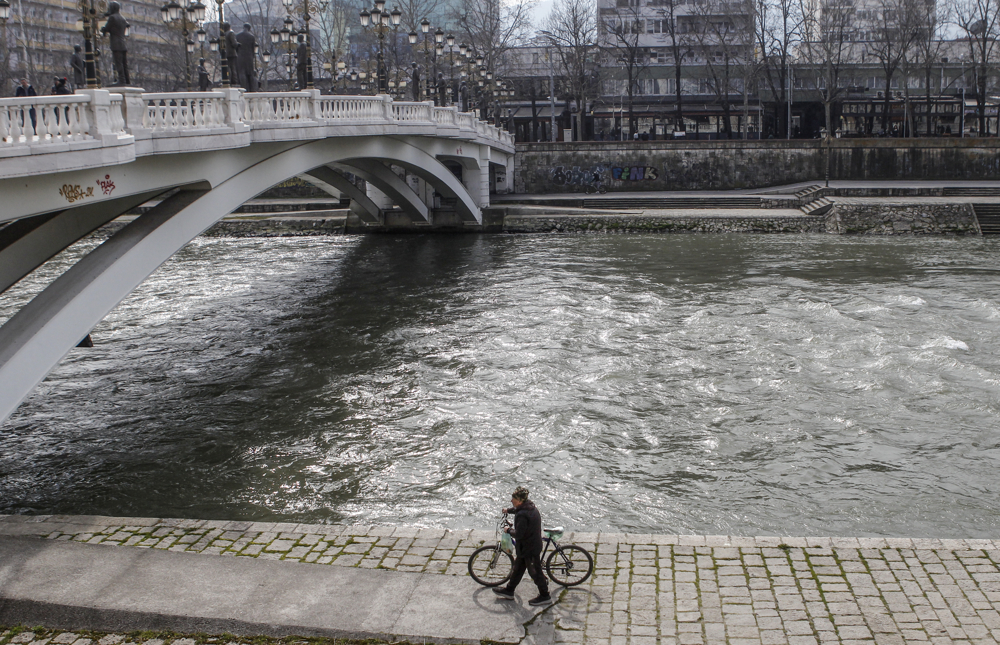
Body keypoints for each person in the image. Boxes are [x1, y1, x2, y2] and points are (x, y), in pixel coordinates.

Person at [492, 486, 551, 606]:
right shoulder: (529, 507)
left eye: (513, 499)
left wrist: (508, 530)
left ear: (519, 500)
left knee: (535, 572)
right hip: (528, 546)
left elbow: (519, 534)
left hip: (529, 548)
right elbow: (518, 510)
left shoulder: (522, 516)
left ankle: (545, 596)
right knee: (518, 569)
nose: (511, 501)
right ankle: (509, 590)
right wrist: (508, 510)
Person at [101, 1, 130, 86]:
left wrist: (103, 29)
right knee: (124, 63)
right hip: (123, 43)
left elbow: (107, 28)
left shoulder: (112, 18)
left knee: (118, 63)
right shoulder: (123, 18)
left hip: (116, 44)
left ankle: (121, 80)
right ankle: (127, 80)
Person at [235, 23, 258, 91]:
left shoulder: (238, 36)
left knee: (241, 72)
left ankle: (243, 88)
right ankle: (252, 89)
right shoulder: (252, 37)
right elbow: (253, 48)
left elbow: (236, 48)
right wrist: (252, 57)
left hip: (240, 56)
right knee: (250, 73)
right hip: (249, 56)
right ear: (249, 28)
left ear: (243, 27)